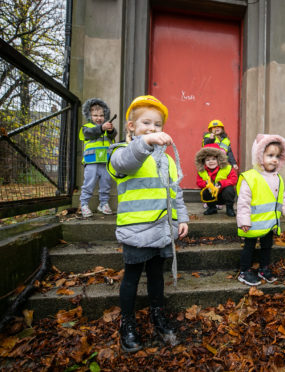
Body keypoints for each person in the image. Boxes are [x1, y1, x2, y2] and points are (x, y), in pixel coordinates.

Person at [107, 95, 189, 352]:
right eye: (146, 123)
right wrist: (145, 142)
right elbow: (125, 163)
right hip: (136, 230)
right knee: (132, 277)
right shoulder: (120, 152)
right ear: (131, 126)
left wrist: (181, 218)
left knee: (156, 275)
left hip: (162, 229)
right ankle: (128, 323)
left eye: (157, 125)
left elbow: (175, 193)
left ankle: (157, 314)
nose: (153, 128)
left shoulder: (167, 160)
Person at [236, 134, 285, 286]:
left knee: (267, 247)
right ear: (258, 156)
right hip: (252, 223)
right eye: (270, 155)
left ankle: (264, 268)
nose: (274, 159)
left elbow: (283, 198)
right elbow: (243, 202)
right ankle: (244, 271)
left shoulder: (278, 178)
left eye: (277, 156)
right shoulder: (251, 177)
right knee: (249, 247)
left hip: (269, 223)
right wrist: (244, 220)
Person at [79, 98, 117, 218]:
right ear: (89, 116)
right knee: (88, 183)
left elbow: (113, 136)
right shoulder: (86, 127)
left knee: (106, 184)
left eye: (101, 115)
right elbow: (90, 133)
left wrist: (111, 130)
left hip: (105, 161)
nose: (98, 118)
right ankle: (84, 204)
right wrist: (102, 128)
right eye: (95, 115)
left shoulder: (106, 128)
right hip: (91, 161)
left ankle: (103, 204)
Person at [195, 143, 238, 217]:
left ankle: (229, 208)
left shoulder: (227, 168)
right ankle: (212, 208)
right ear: (203, 162)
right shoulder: (202, 171)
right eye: (207, 160)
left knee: (229, 189)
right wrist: (206, 184)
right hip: (212, 195)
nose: (211, 162)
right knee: (205, 191)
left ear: (219, 159)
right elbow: (198, 182)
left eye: (214, 159)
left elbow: (234, 179)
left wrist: (222, 183)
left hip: (223, 195)